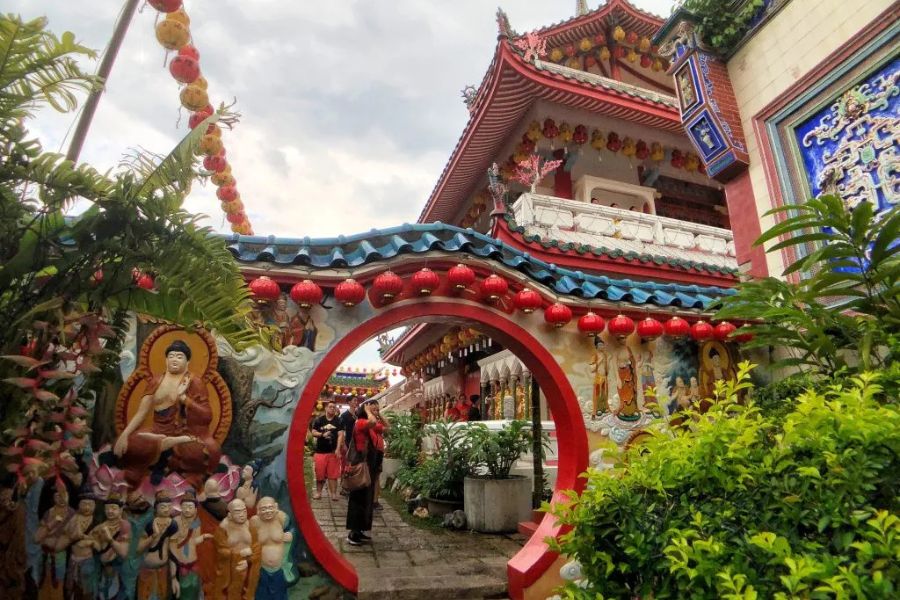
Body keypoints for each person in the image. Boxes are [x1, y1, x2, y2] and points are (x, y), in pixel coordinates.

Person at [114, 340, 221, 490]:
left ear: (187, 361)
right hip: (157, 432)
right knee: (132, 442)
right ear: (165, 360)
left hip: (185, 435)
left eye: (179, 356)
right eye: (171, 356)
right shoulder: (156, 381)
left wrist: (185, 399)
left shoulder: (195, 382)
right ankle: (162, 445)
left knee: (209, 450)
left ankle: (168, 451)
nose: (174, 359)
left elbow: (207, 416)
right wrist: (124, 435)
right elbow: (141, 412)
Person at [345, 401, 384, 546]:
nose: (374, 411)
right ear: (364, 411)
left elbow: (385, 426)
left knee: (366, 500)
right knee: (358, 499)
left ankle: (360, 530)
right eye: (371, 408)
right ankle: (353, 533)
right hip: (362, 466)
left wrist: (376, 413)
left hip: (369, 465)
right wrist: (368, 411)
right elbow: (372, 422)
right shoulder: (360, 422)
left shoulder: (367, 422)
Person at [213, 498, 261, 600]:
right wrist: (238, 557)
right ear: (229, 514)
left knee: (247, 591)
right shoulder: (223, 528)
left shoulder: (250, 526)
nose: (242, 514)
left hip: (248, 567)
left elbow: (257, 546)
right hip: (230, 570)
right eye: (238, 512)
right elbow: (220, 551)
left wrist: (249, 559)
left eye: (244, 511)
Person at [250, 497, 292, 600]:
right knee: (261, 593)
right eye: (264, 509)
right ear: (258, 511)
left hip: (279, 567)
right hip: (261, 567)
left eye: (270, 507)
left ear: (276, 507)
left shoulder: (282, 518)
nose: (268, 511)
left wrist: (291, 535)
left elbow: (292, 529)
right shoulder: (255, 522)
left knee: (279, 594)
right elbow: (249, 539)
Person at [309, 400, 341, 500]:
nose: (332, 408)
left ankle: (333, 494)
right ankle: (319, 493)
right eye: (330, 407)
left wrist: (338, 449)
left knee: (333, 475)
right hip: (320, 452)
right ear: (326, 408)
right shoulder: (319, 420)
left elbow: (341, 435)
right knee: (320, 474)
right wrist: (322, 434)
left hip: (333, 452)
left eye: (334, 407)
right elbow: (313, 432)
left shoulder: (338, 420)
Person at [337, 397, 359, 482]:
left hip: (357, 443)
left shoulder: (358, 414)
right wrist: (343, 444)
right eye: (354, 401)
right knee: (345, 463)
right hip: (347, 443)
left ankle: (353, 483)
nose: (356, 402)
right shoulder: (344, 416)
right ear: (349, 402)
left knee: (355, 464)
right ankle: (343, 483)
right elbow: (341, 431)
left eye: (357, 401)